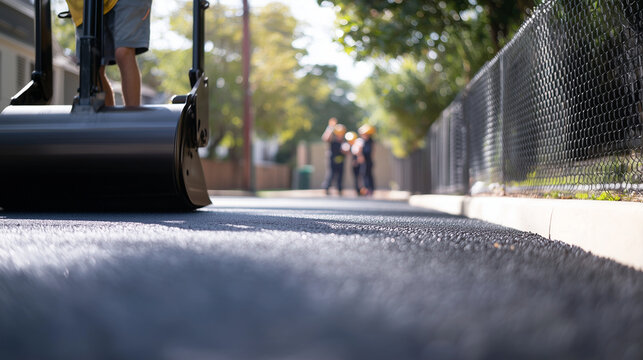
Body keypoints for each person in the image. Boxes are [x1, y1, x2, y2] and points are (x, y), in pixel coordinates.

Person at [66, 0, 152, 106]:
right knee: (91, 66)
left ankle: (132, 118)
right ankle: (106, 120)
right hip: (83, 5)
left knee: (123, 52)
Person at [321, 117, 347, 196]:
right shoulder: (332, 139)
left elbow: (347, 150)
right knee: (331, 174)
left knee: (340, 175)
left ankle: (339, 189)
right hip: (332, 159)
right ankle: (326, 188)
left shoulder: (344, 140)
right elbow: (325, 138)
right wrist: (330, 127)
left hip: (341, 159)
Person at [358, 124, 376, 196]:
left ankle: (370, 189)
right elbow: (359, 151)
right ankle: (365, 189)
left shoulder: (371, 141)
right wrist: (360, 157)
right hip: (364, 161)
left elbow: (372, 151)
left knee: (369, 175)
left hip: (369, 160)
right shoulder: (361, 141)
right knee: (364, 175)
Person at [344, 131, 362, 196]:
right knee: (356, 177)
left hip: (358, 163)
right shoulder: (351, 145)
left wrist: (357, 160)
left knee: (360, 177)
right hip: (354, 163)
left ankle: (361, 190)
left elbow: (358, 153)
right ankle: (358, 190)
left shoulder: (358, 143)